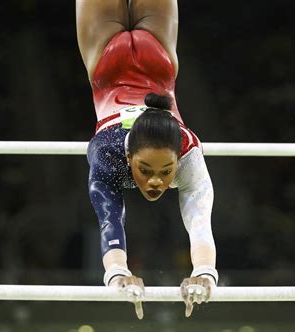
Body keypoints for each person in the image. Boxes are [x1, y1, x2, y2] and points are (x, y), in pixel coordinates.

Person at [76, 0, 218, 319]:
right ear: (127, 155)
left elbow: (200, 224)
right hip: (158, 58)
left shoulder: (189, 153)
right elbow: (109, 220)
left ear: (177, 159)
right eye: (146, 170)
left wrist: (205, 273)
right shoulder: (107, 154)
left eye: (167, 171)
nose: (157, 181)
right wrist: (117, 273)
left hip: (105, 60)